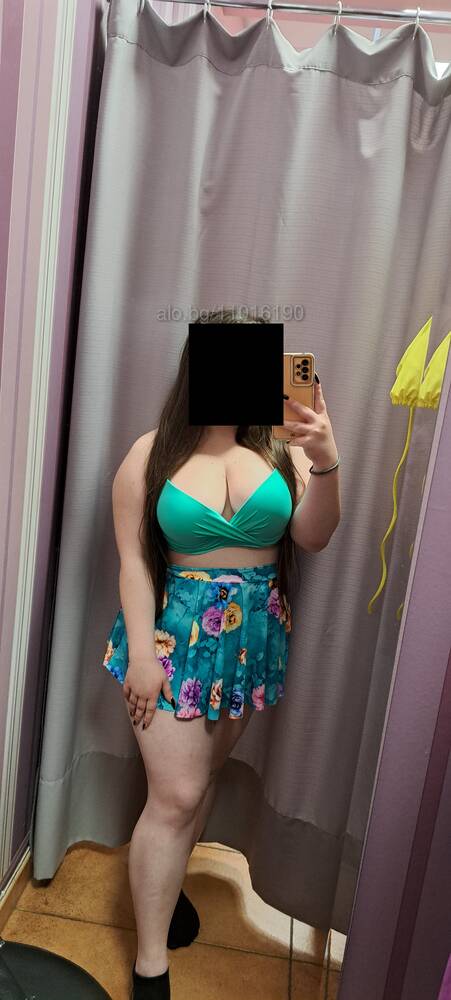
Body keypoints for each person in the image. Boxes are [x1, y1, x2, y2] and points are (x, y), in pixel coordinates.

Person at [101, 309, 340, 999]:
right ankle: (149, 968)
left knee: (199, 782)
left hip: (250, 642)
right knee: (175, 795)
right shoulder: (151, 455)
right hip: (171, 640)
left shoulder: (285, 451)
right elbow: (133, 564)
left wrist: (325, 457)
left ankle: (166, 885)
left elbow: (315, 537)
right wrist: (142, 655)